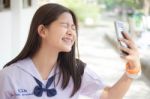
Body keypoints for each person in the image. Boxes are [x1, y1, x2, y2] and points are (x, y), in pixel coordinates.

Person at [0, 3, 141, 99]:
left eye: (73, 28)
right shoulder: (10, 75)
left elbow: (110, 95)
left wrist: (132, 71)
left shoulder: (75, 71)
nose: (71, 32)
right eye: (65, 25)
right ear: (42, 30)